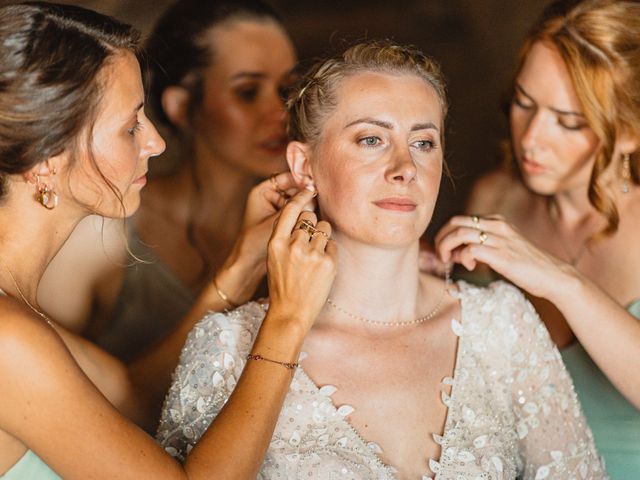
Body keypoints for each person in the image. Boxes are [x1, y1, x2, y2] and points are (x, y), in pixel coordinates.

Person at [157, 40, 605, 479]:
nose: (405, 166)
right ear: (303, 164)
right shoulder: (226, 347)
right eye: (371, 139)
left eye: (424, 143)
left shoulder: (503, 324)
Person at [0, 2, 336, 478]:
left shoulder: (15, 314)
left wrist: (238, 271)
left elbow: (132, 395)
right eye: (131, 125)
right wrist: (288, 319)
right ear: (46, 160)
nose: (156, 142)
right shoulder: (7, 340)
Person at [436, 1, 640, 477]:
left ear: (629, 133)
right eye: (524, 103)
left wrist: (559, 279)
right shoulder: (495, 197)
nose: (531, 139)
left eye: (568, 121)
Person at [37, 0, 297, 360]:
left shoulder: (306, 229)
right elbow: (51, 393)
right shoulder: (102, 230)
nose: (281, 113)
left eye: (287, 90)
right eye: (247, 92)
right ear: (181, 107)